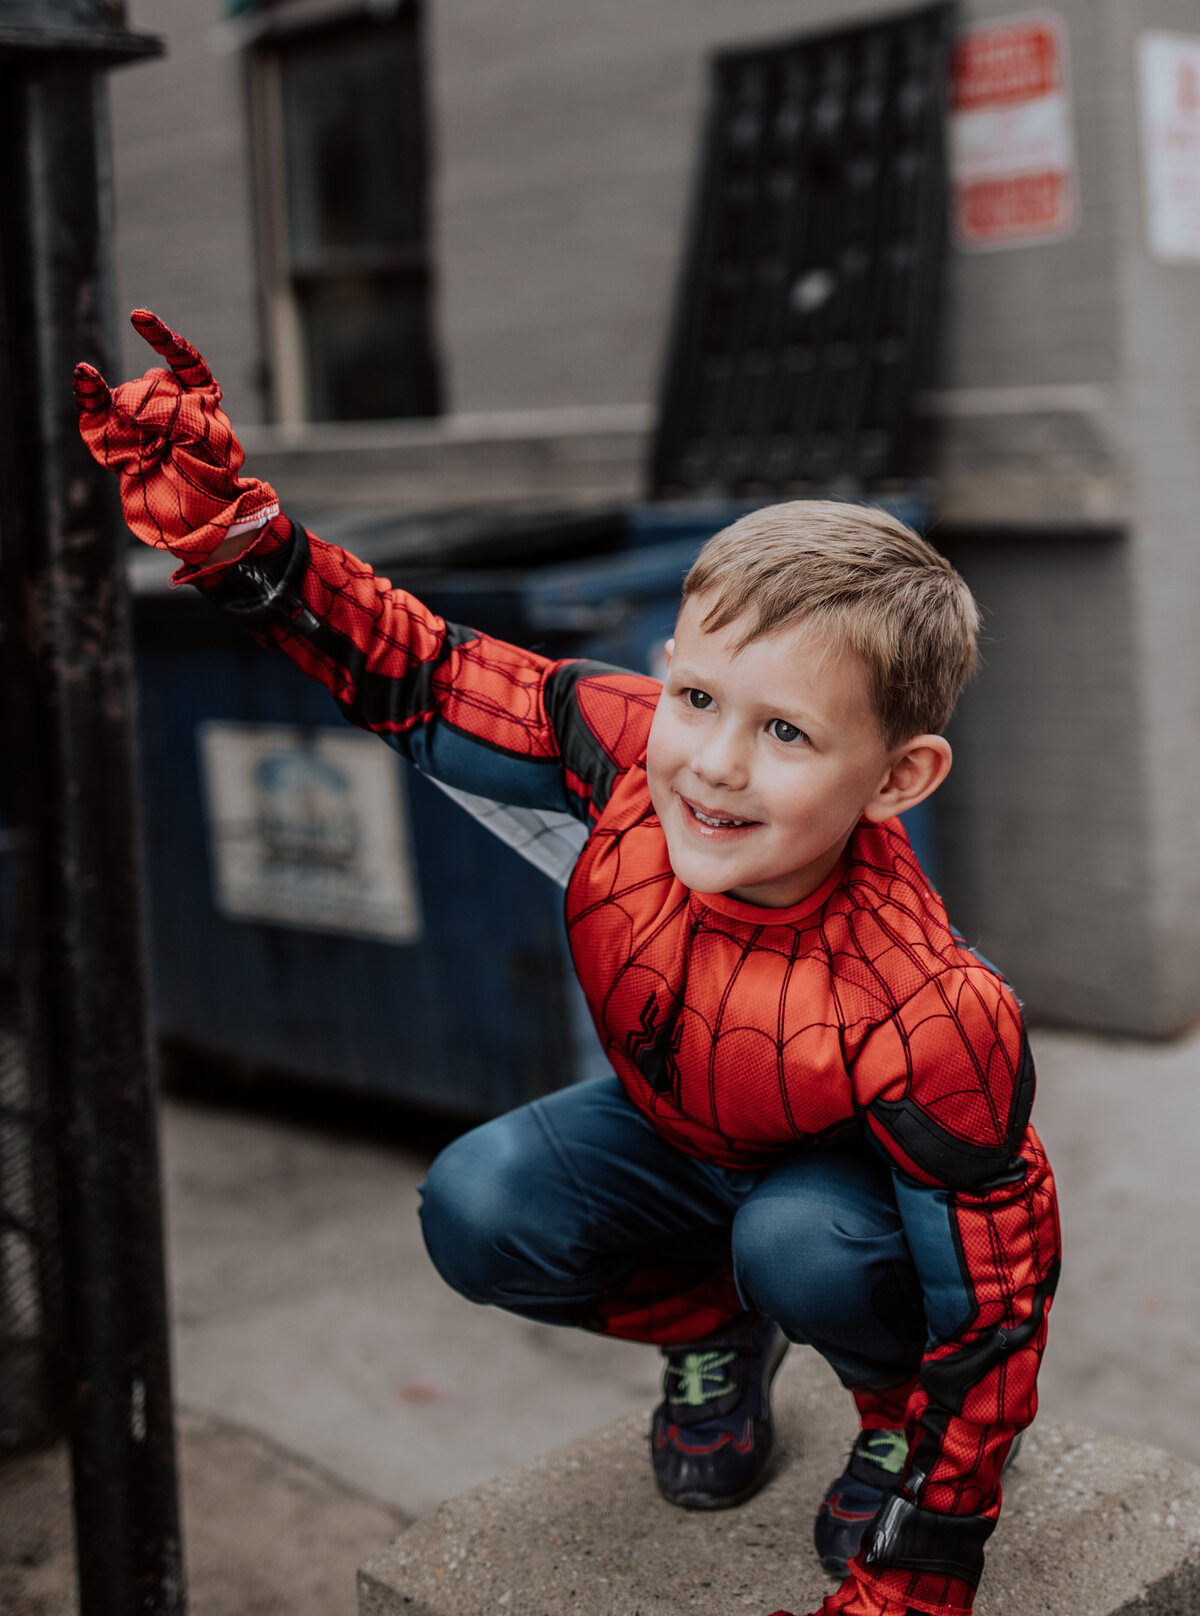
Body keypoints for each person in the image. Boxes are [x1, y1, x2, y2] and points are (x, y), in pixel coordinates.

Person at [76, 311, 1061, 1616]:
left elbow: (994, 1315)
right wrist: (240, 542)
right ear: (665, 676)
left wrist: (921, 1576)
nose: (711, 763)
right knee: (476, 1206)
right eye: (699, 698)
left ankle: (873, 1410)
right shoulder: (620, 745)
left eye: (786, 733)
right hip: (669, 1132)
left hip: (824, 1203)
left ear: (901, 778)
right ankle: (712, 1328)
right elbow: (422, 677)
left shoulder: (934, 1015)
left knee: (801, 1243)